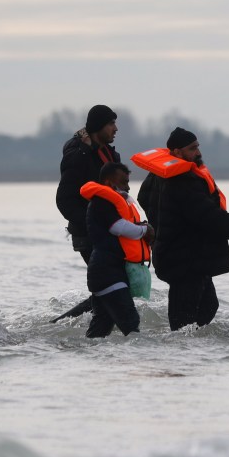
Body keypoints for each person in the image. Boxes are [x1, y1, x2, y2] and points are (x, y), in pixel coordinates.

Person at [154, 127, 229, 330]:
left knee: (208, 307)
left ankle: (197, 356)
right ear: (177, 152)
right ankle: (180, 357)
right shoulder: (180, 182)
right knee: (184, 323)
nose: (198, 152)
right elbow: (212, 217)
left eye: (198, 147)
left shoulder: (179, 176)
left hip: (193, 257)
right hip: (182, 261)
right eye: (192, 148)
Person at [82, 162, 154, 338]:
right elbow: (118, 227)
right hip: (107, 273)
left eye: (128, 182)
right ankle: (142, 358)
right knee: (131, 323)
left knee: (101, 328)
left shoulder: (110, 202)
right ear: (108, 183)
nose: (128, 187)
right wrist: (145, 230)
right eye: (123, 182)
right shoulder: (102, 201)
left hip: (107, 273)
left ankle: (86, 359)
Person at [56, 104, 121, 265]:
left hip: (110, 230)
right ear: (99, 126)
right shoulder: (78, 155)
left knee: (117, 283)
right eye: (111, 123)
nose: (116, 128)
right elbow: (64, 200)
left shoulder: (109, 154)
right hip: (89, 235)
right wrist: (92, 224)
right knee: (109, 282)